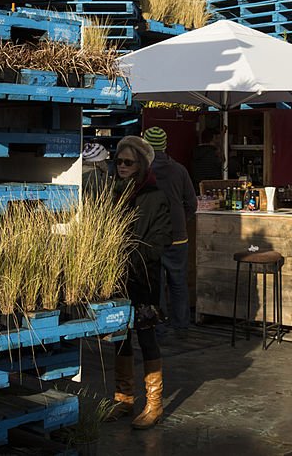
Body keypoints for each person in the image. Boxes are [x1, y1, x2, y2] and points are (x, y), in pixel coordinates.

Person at [110, 135, 172, 429]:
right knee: (120, 339)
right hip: (117, 278)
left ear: (141, 165)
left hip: (144, 278)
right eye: (119, 161)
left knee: (146, 338)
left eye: (128, 162)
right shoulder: (113, 193)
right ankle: (123, 399)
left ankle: (154, 404)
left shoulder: (155, 196)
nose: (122, 166)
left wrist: (134, 257)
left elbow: (160, 241)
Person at [142, 127, 197, 338]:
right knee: (178, 281)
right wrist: (181, 220)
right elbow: (191, 203)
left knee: (157, 284)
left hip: (152, 236)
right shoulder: (179, 170)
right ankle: (182, 325)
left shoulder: (142, 172)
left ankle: (159, 326)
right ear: (165, 145)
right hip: (178, 235)